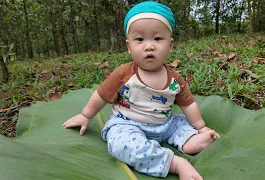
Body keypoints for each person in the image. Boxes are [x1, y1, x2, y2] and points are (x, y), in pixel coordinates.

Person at [62, 1, 220, 180]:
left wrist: (200, 127)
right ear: (129, 47)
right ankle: (174, 163)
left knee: (182, 124)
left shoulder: (175, 79)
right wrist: (85, 115)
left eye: (158, 39)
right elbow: (101, 94)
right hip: (127, 124)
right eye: (140, 39)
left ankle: (190, 141)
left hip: (166, 124)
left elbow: (188, 104)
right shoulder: (124, 73)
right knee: (121, 145)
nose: (149, 46)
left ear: (170, 45)